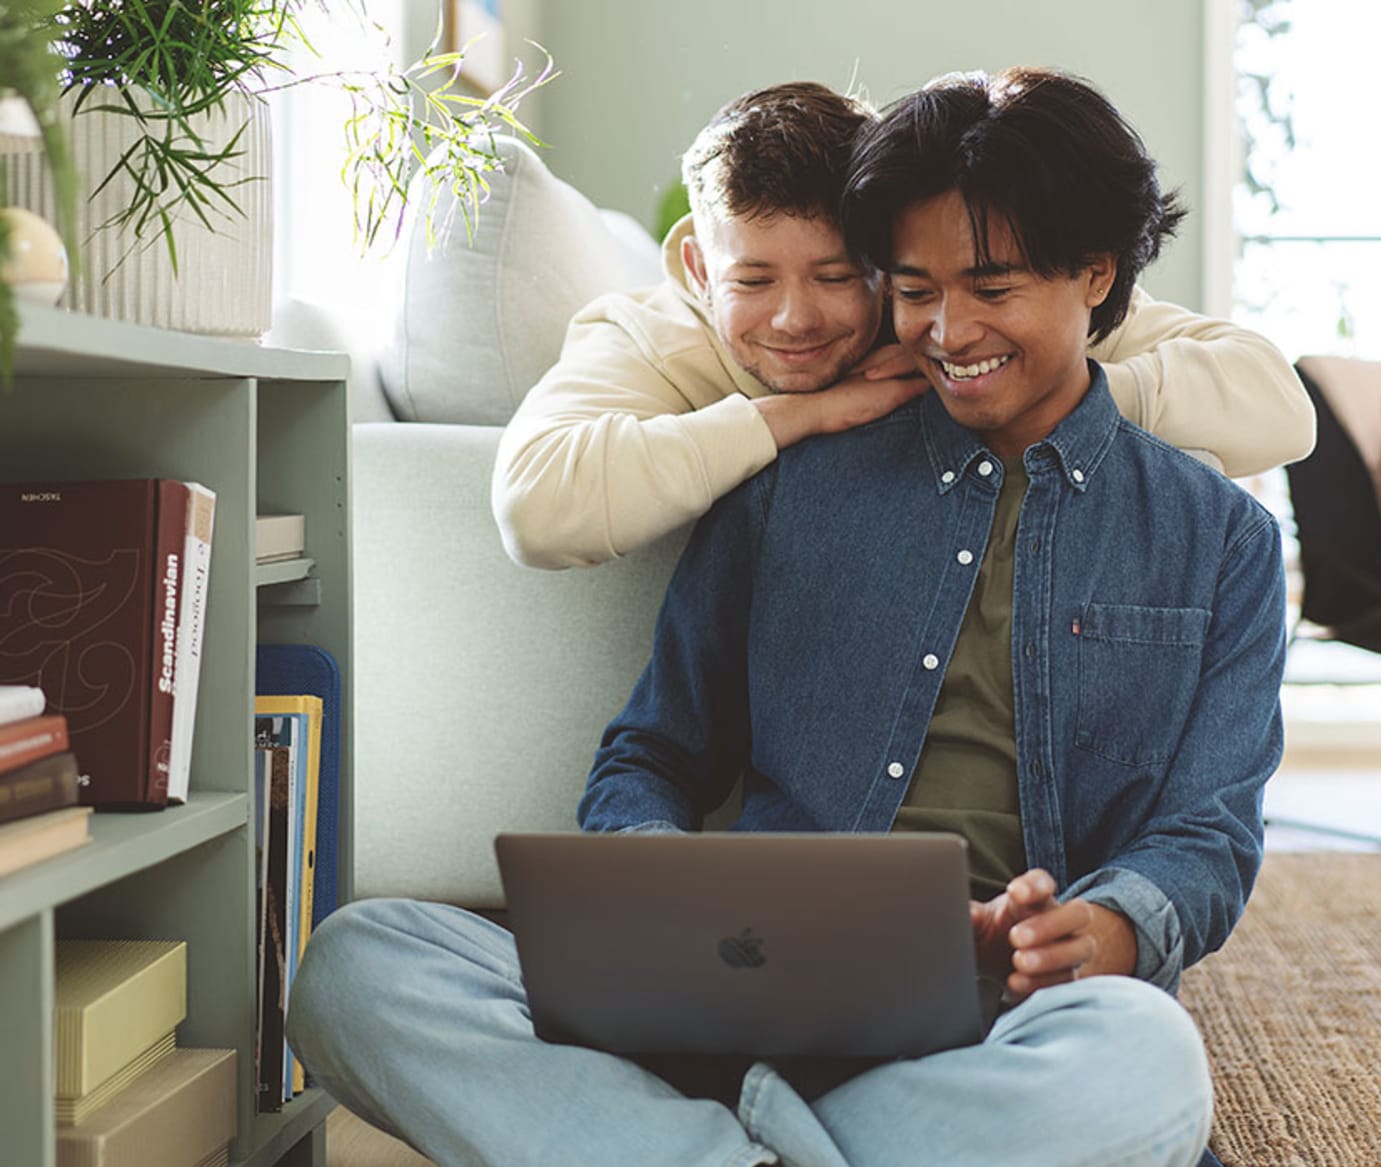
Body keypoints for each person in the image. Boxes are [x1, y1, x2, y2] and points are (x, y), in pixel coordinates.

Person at [288, 67, 1287, 1167]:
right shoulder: (787, 478)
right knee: (360, 961)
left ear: (1097, 276)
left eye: (991, 290)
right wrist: (656, 878)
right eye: (914, 289)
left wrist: (1106, 929)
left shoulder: (1220, 540)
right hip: (737, 990)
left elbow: (1206, 835)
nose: (949, 332)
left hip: (1004, 1018)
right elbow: (650, 752)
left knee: (1146, 1056)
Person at [492, 81, 1314, 570]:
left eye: (838, 276)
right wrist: (798, 416)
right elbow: (534, 507)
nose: (794, 317)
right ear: (700, 269)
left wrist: (1048, 397)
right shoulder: (648, 333)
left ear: (888, 264)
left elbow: (1279, 407)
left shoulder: (945, 317)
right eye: (752, 278)